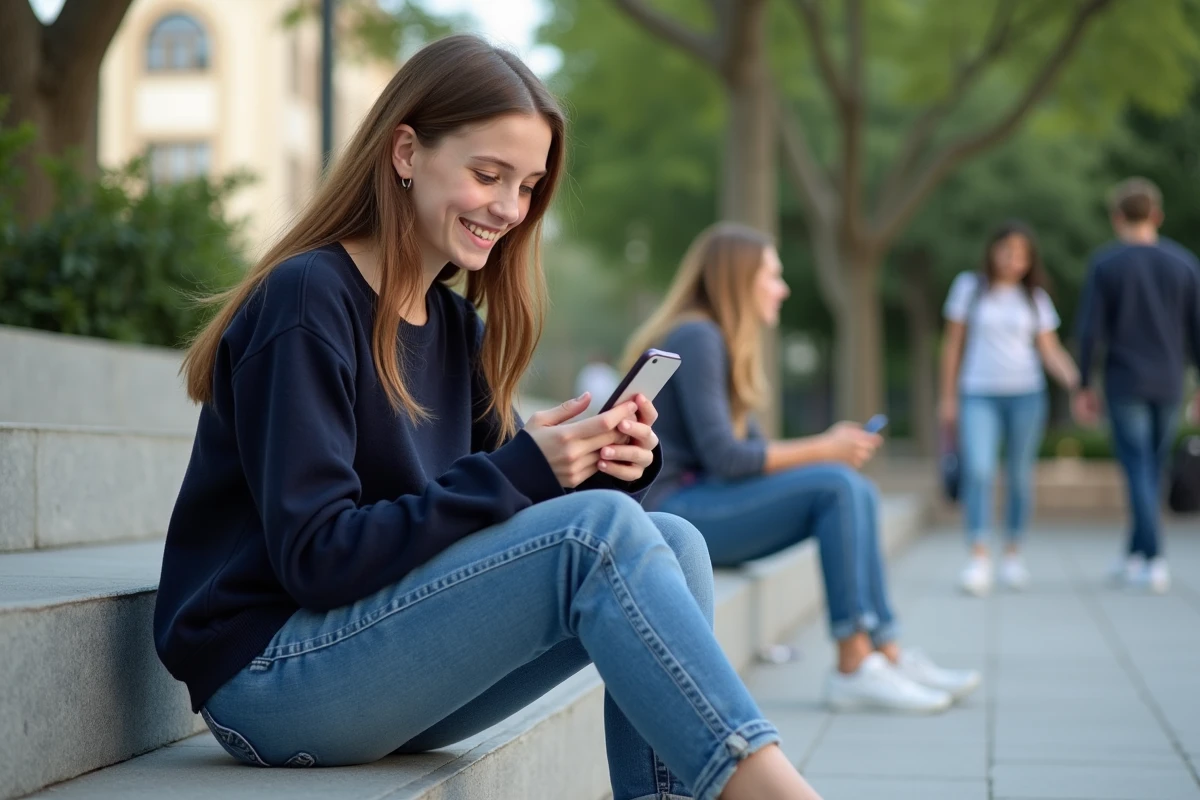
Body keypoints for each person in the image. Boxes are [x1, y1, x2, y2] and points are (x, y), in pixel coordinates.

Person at [152, 36, 823, 800]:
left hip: (370, 654)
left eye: (529, 185)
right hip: (271, 677)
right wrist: (529, 467)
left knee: (674, 539)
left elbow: (502, 516)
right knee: (598, 537)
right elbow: (319, 558)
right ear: (406, 151)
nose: (509, 209)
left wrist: (605, 461)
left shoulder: (453, 326)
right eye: (487, 174)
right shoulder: (307, 300)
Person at [626, 221, 981, 715]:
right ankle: (854, 665)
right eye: (772, 275)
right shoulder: (698, 335)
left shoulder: (719, 340)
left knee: (854, 488)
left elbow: (747, 456)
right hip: (673, 514)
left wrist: (828, 453)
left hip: (703, 504)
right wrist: (824, 448)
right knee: (837, 484)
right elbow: (727, 459)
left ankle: (886, 651)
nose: (783, 288)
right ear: (738, 279)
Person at [938, 221, 1080, 596]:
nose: (1012, 259)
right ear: (992, 250)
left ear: (1030, 260)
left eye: (1021, 254)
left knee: (1019, 476)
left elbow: (1049, 350)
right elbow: (952, 346)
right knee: (980, 470)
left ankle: (1013, 553)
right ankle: (979, 556)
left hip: (1026, 396)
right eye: (1006, 250)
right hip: (977, 393)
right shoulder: (968, 289)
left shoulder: (1035, 299)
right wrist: (947, 397)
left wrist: (1077, 382)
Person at [1073, 178, 1200, 594]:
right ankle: (1134, 554)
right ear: (1156, 216)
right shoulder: (1184, 264)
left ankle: (1152, 557)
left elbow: (1089, 330)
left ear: (1117, 217)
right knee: (1152, 467)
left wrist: (1082, 383)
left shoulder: (1106, 264)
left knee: (1138, 468)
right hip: (1169, 381)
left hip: (1124, 380)